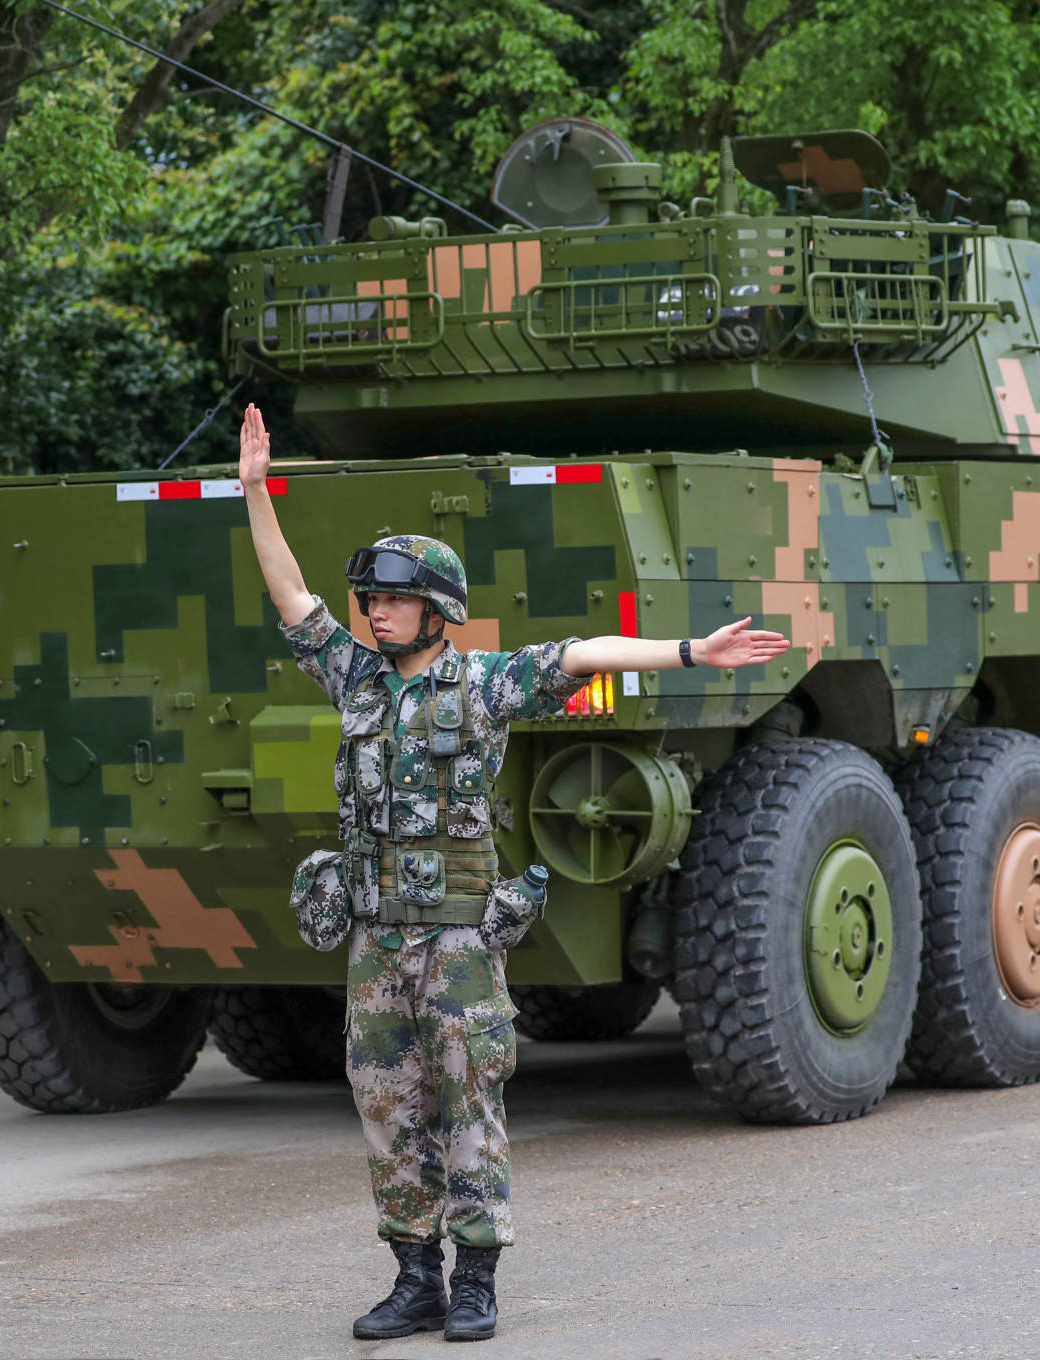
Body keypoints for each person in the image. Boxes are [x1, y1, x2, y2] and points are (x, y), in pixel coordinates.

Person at [238, 404, 788, 1343]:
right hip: (377, 940)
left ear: (438, 608)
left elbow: (584, 652)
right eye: (370, 598)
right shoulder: (355, 681)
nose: (375, 611)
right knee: (385, 1105)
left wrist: (691, 652)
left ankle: (478, 1281)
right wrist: (256, 492)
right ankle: (414, 1278)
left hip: (457, 936)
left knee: (469, 1101)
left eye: (393, 599)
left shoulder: (485, 684)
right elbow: (292, 597)